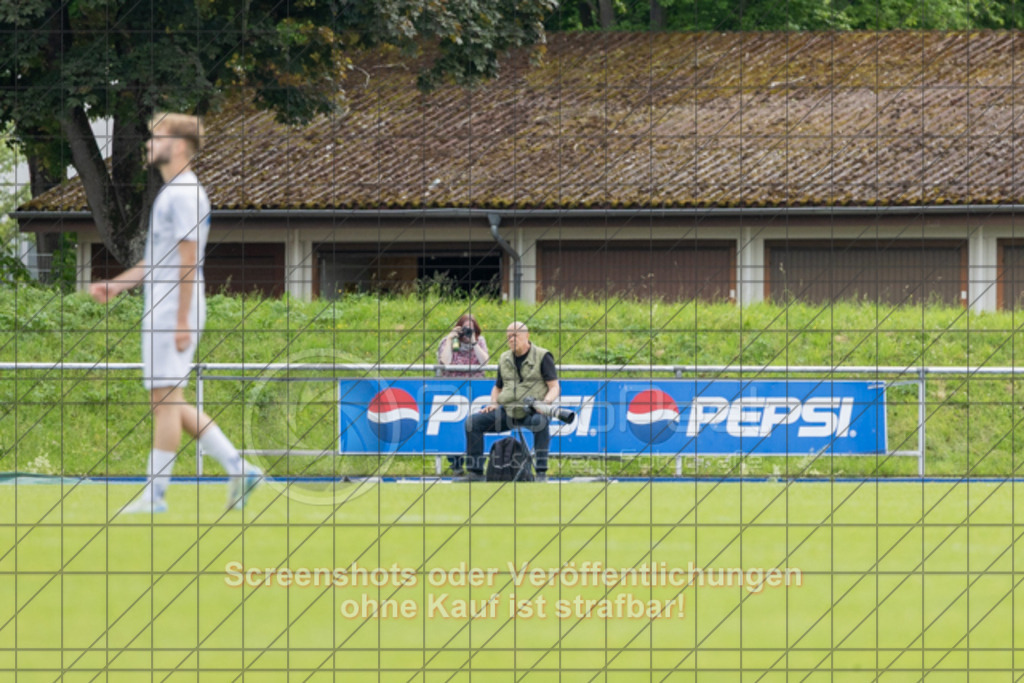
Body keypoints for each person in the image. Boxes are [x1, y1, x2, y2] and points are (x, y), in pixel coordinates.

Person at [90, 112, 262, 514]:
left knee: (166, 400)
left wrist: (183, 321)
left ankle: (155, 495)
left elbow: (188, 263)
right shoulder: (171, 193)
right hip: (161, 309)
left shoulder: (185, 194)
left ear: (179, 146)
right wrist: (117, 285)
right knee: (166, 400)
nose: (149, 143)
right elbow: (158, 261)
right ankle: (239, 468)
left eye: (157, 136)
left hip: (173, 312)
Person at [459, 321, 560, 482]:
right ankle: (475, 473)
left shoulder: (543, 356)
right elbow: (497, 388)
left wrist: (545, 403)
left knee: (541, 422)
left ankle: (541, 473)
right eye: (508, 337)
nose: (512, 340)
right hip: (508, 411)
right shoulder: (504, 358)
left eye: (515, 336)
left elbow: (554, 387)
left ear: (527, 335)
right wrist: (493, 403)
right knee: (473, 422)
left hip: (533, 411)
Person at [437, 313, 488, 378]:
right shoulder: (448, 341)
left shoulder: (479, 341)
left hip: (474, 382)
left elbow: (485, 362)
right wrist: (449, 340)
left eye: (470, 329)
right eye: (465, 328)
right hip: (452, 383)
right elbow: (445, 363)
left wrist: (474, 342)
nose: (467, 331)